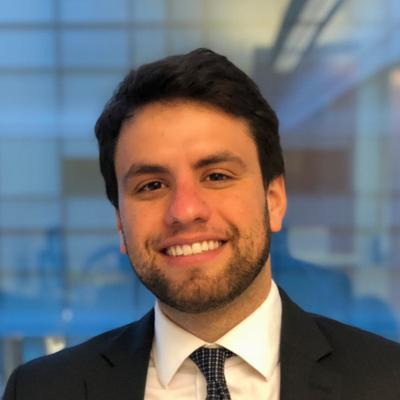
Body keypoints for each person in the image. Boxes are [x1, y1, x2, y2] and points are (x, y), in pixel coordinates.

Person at [3, 48, 400, 400]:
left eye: (216, 176)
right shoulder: (42, 391)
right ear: (120, 223)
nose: (185, 210)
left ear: (274, 200)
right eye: (152, 185)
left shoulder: (389, 380)